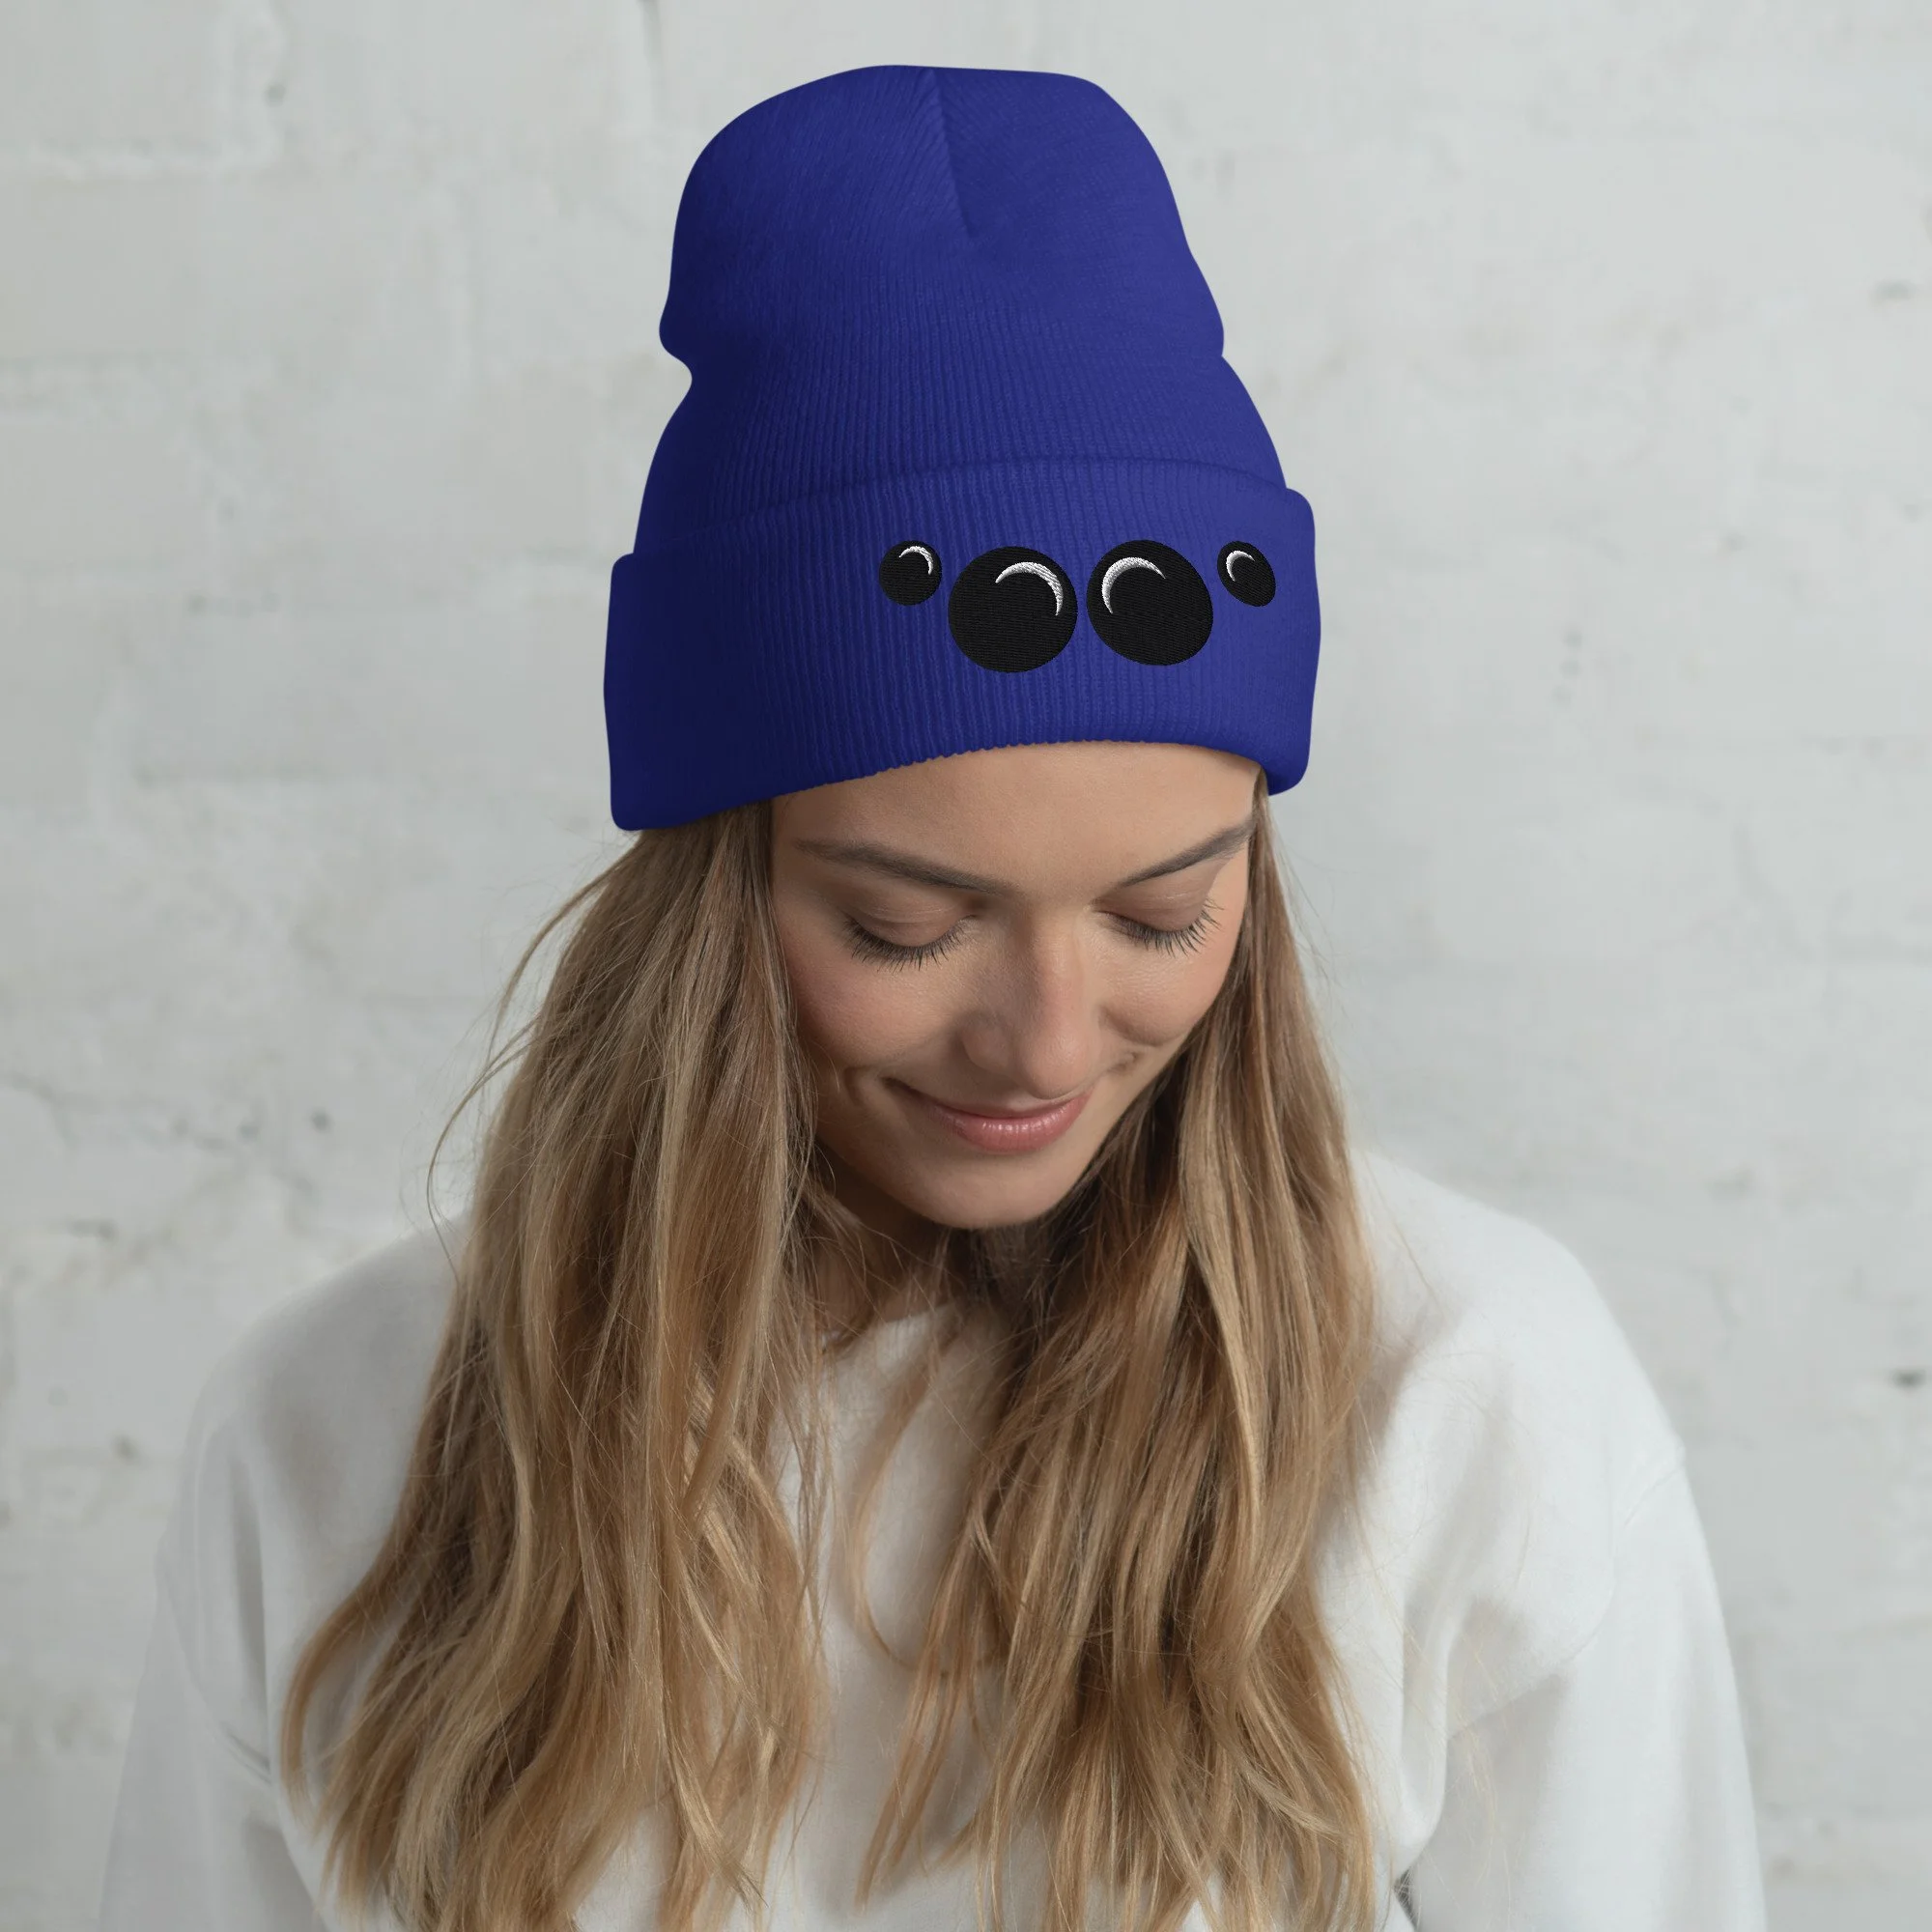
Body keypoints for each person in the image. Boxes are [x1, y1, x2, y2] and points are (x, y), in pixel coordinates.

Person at [99, 64, 1767, 1932]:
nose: (1046, 1043)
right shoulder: (330, 1439)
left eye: (1162, 914)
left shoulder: (1469, 1398)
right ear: (713, 899)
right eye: (904, 928)